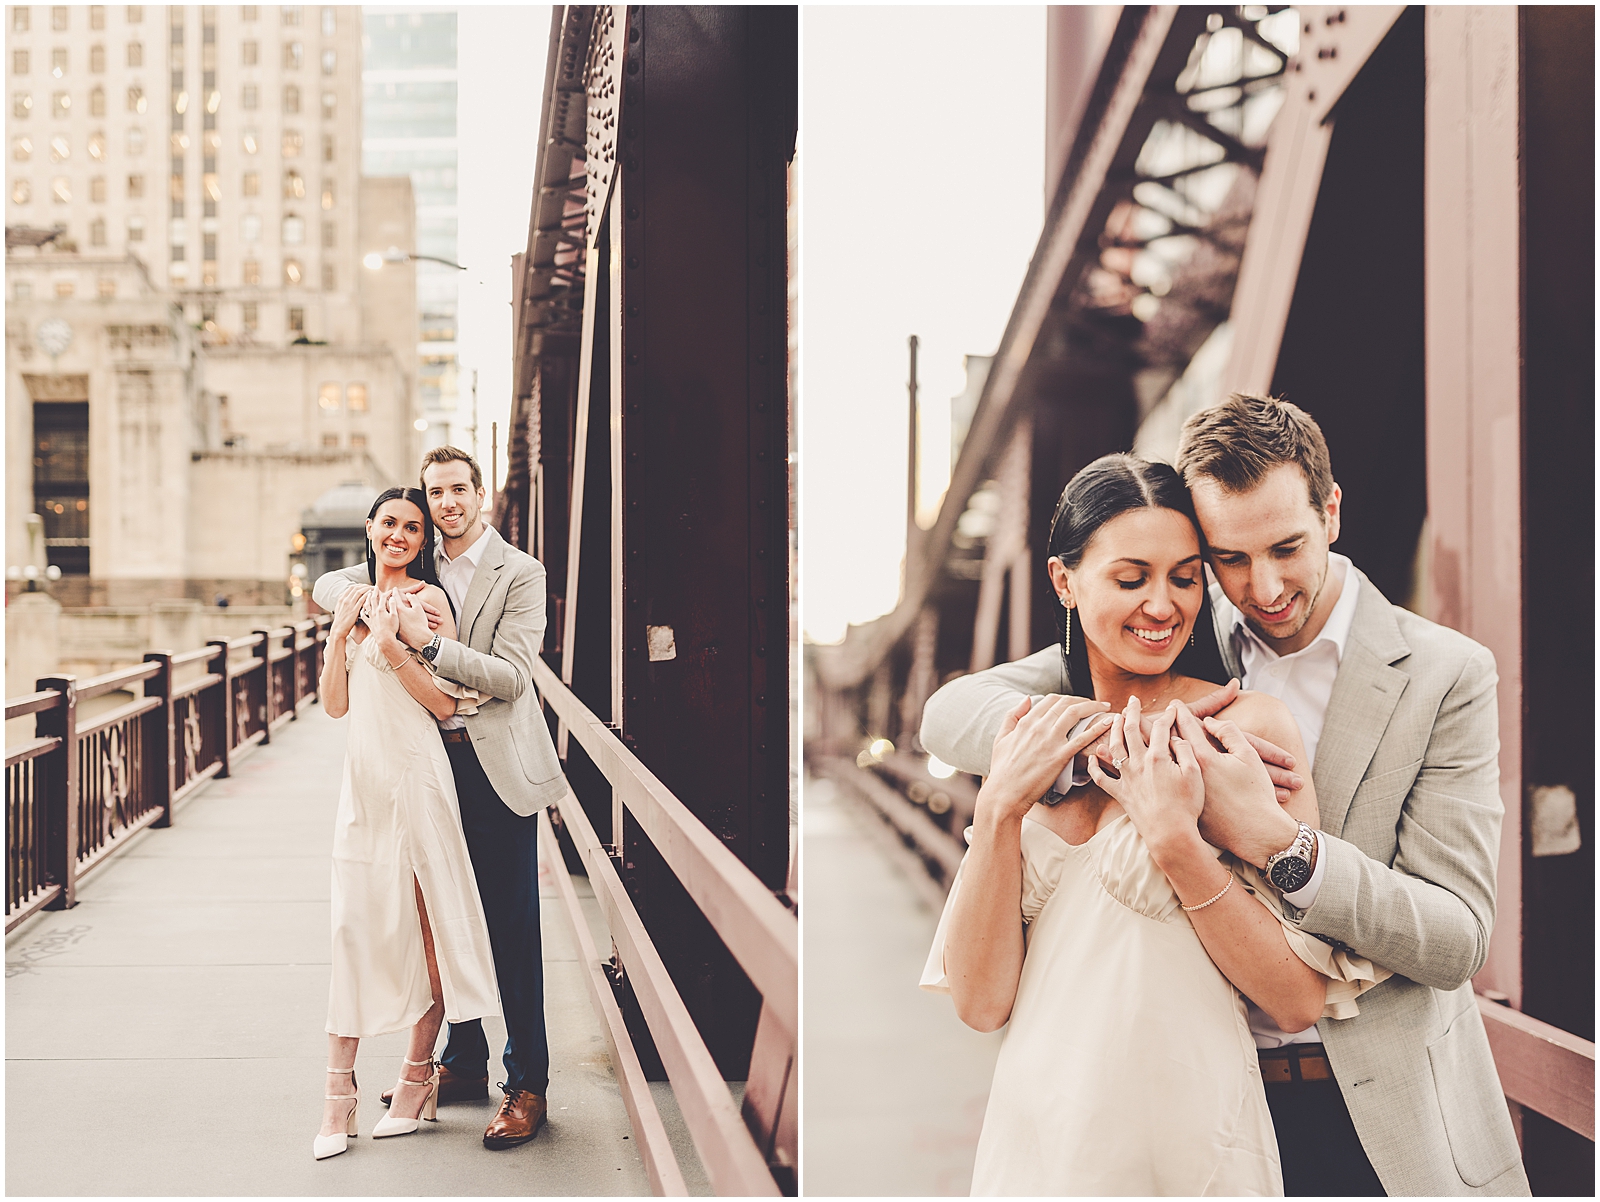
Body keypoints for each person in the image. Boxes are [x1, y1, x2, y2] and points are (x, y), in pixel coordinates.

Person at [921, 395, 1529, 1196]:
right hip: (1158, 1108)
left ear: (1332, 512)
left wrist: (1284, 848)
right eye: (1229, 559)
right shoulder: (1167, 617)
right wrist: (1141, 741)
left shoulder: (1447, 673)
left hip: (1375, 1121)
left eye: (1286, 547)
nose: (1263, 586)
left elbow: (1458, 938)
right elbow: (953, 713)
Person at [313, 447, 570, 1152]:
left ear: (479, 493)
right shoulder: (417, 570)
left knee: (509, 927)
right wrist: (357, 612)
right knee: (435, 914)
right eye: (436, 493)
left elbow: (513, 678)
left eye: (459, 488)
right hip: (419, 763)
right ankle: (458, 1061)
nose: (448, 502)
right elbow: (334, 580)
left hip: (488, 766)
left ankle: (527, 1084)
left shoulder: (520, 572)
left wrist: (425, 644)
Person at [313, 487, 500, 1160]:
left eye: (411, 528)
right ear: (370, 529)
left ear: (423, 541)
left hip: (417, 778)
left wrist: (392, 646)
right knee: (351, 930)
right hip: (361, 785)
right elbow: (334, 706)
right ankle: (338, 1095)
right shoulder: (350, 601)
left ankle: (417, 1079)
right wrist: (341, 636)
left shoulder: (428, 602)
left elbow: (445, 706)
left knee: (427, 934)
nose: (398, 534)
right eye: (388, 523)